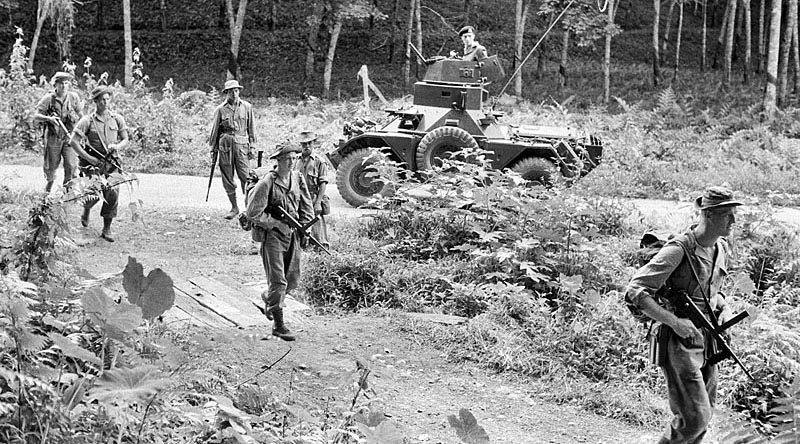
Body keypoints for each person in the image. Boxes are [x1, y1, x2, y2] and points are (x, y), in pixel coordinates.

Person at [625, 186, 742, 444]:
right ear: (708, 215)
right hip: (679, 340)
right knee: (695, 417)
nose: (734, 221)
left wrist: (725, 309)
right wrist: (675, 322)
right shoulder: (679, 250)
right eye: (727, 215)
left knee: (705, 413)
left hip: (709, 338)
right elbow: (636, 290)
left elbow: (713, 293)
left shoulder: (720, 248)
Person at [246, 143, 314, 341]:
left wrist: (306, 228)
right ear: (278, 161)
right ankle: (279, 325)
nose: (291, 162)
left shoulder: (297, 177)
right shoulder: (267, 182)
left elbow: (306, 204)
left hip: (293, 234)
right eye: (287, 159)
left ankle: (269, 298)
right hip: (273, 236)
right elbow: (253, 213)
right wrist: (275, 223)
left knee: (292, 278)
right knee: (278, 281)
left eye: (294, 159)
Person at [69, 86, 129, 243]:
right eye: (102, 99)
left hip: (112, 163)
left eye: (108, 99)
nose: (105, 102)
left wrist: (117, 146)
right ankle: (87, 209)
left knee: (113, 192)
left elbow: (125, 139)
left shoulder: (117, 119)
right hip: (94, 165)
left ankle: (106, 228)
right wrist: (89, 158)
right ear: (95, 101)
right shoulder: (87, 121)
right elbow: (73, 142)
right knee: (95, 193)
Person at [208, 79, 256, 219]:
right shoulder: (220, 109)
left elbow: (252, 129)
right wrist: (213, 149)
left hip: (242, 146)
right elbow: (215, 131)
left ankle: (249, 209)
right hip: (225, 146)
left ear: (239, 91)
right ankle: (234, 207)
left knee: (246, 177)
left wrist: (252, 147)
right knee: (227, 177)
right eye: (231, 91)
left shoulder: (247, 107)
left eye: (236, 90)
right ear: (226, 93)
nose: (234, 93)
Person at [32, 71, 83, 193]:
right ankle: (47, 192)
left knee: (71, 165)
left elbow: (81, 115)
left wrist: (81, 131)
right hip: (53, 137)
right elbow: (36, 115)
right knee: (51, 166)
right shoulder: (49, 99)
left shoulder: (73, 97)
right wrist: (49, 119)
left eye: (66, 83)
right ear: (55, 85)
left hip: (69, 137)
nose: (64, 86)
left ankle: (68, 195)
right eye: (61, 84)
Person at [295, 130, 330, 248]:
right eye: (304, 144)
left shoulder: (319, 161)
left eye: (309, 143)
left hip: (313, 197)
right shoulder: (295, 160)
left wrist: (319, 202)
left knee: (317, 224)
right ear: (300, 145)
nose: (307, 146)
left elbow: (323, 183)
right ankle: (302, 245)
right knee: (298, 224)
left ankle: (320, 246)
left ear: (313, 143)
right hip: (298, 198)